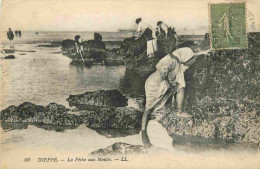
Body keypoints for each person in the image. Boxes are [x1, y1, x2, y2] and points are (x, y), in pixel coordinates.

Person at [141, 47, 209, 146]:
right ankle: (143, 133)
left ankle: (179, 111)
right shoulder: (172, 61)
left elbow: (193, 55)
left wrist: (204, 52)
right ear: (186, 59)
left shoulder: (179, 59)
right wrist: (170, 84)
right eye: (192, 60)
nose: (194, 62)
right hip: (154, 84)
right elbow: (163, 71)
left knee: (180, 86)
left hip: (161, 82)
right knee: (148, 108)